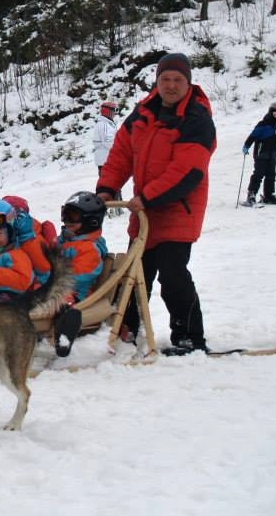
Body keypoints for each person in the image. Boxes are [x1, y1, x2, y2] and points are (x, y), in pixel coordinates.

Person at [96, 52, 217, 355]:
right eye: (165, 79)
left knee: (173, 274)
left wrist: (148, 196)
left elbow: (187, 171)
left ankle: (189, 337)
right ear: (157, 81)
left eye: (178, 80)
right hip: (145, 212)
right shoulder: (143, 112)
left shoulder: (197, 119)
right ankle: (129, 330)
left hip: (178, 210)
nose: (171, 85)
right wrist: (107, 189)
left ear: (188, 83)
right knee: (136, 274)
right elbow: (121, 154)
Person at [53, 191, 109, 357]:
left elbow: (79, 275)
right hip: (57, 287)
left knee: (64, 304)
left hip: (77, 295)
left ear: (90, 221)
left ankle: (64, 337)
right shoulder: (65, 241)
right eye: (65, 214)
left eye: (72, 216)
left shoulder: (89, 249)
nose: (66, 221)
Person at [242, 101, 276, 205]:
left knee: (271, 174)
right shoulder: (263, 124)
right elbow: (253, 136)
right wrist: (246, 146)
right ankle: (251, 195)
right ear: (270, 113)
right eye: (274, 114)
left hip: (273, 154)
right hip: (261, 153)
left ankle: (268, 195)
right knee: (258, 173)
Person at [92, 101, 118, 175]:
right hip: (106, 160)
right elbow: (108, 142)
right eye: (114, 111)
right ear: (108, 112)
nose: (115, 113)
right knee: (109, 180)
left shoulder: (105, 124)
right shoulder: (104, 125)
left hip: (105, 160)